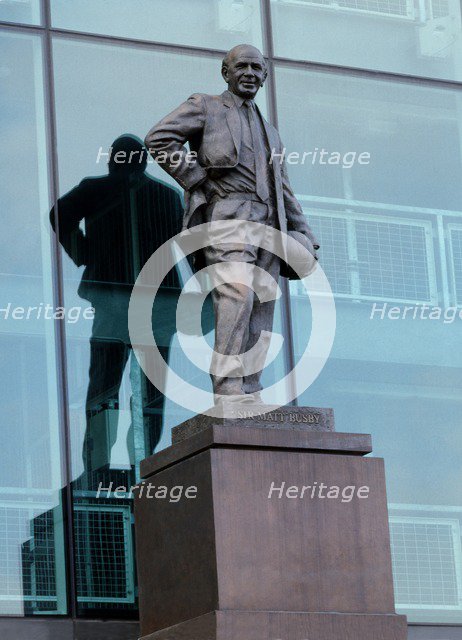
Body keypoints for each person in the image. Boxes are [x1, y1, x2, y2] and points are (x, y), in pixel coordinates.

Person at [145, 44, 319, 404]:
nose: (251, 74)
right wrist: (197, 179)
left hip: (269, 223)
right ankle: (226, 386)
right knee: (236, 292)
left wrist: (305, 232)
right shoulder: (206, 106)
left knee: (261, 302)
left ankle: (250, 388)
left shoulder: (270, 131)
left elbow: (283, 188)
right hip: (228, 215)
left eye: (258, 68)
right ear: (226, 72)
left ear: (265, 77)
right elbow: (159, 138)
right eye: (243, 66)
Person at [50, 135, 184, 476]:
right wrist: (84, 255)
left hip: (140, 305)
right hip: (141, 305)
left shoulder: (163, 196)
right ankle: (133, 463)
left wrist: (84, 255)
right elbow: (60, 214)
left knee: (113, 385)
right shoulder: (166, 196)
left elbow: (60, 214)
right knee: (129, 387)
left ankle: (116, 464)